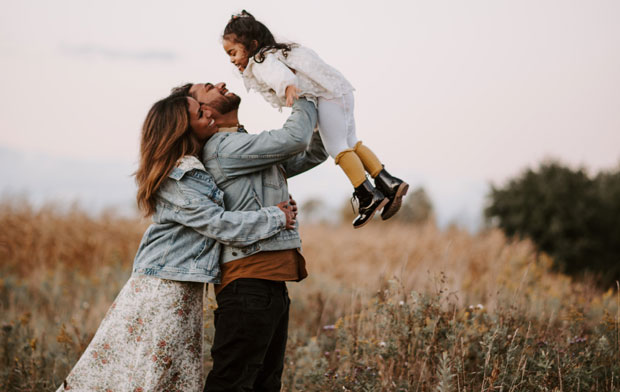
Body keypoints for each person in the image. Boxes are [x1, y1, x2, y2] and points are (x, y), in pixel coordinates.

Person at [57, 94, 298, 391]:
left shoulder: (199, 165)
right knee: (146, 372)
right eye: (200, 114)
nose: (209, 115)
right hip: (164, 286)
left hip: (183, 288)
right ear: (182, 128)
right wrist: (273, 217)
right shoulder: (178, 174)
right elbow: (217, 223)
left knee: (167, 375)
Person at [173, 81, 327, 391]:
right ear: (202, 111)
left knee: (263, 384)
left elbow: (313, 151)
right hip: (248, 284)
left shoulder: (243, 147)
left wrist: (336, 111)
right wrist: (303, 92)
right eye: (207, 89)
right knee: (232, 383)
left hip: (267, 284)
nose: (221, 83)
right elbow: (295, 139)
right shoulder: (223, 149)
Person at [220, 10, 409, 229]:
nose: (232, 60)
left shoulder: (261, 62)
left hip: (326, 97)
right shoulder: (277, 52)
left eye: (233, 53)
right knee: (352, 142)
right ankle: (388, 182)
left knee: (337, 147)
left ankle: (367, 194)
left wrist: (288, 87)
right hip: (339, 90)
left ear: (252, 45)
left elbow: (278, 75)